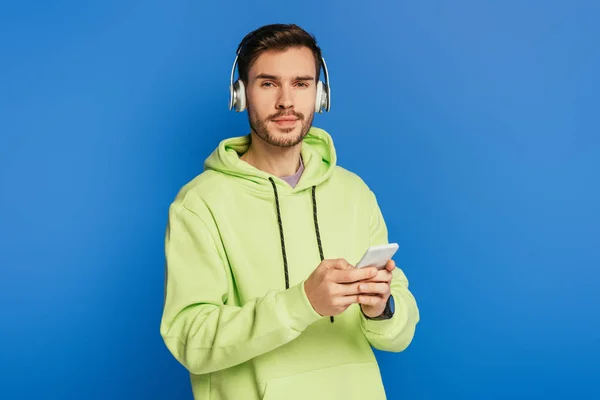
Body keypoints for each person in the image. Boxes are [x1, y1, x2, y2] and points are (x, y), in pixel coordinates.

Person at [160, 23, 420, 400]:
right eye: (268, 83)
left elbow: (401, 331)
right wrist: (302, 304)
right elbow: (190, 339)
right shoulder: (199, 204)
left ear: (320, 94)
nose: (286, 101)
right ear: (240, 94)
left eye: (301, 83)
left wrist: (382, 309)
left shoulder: (354, 192)